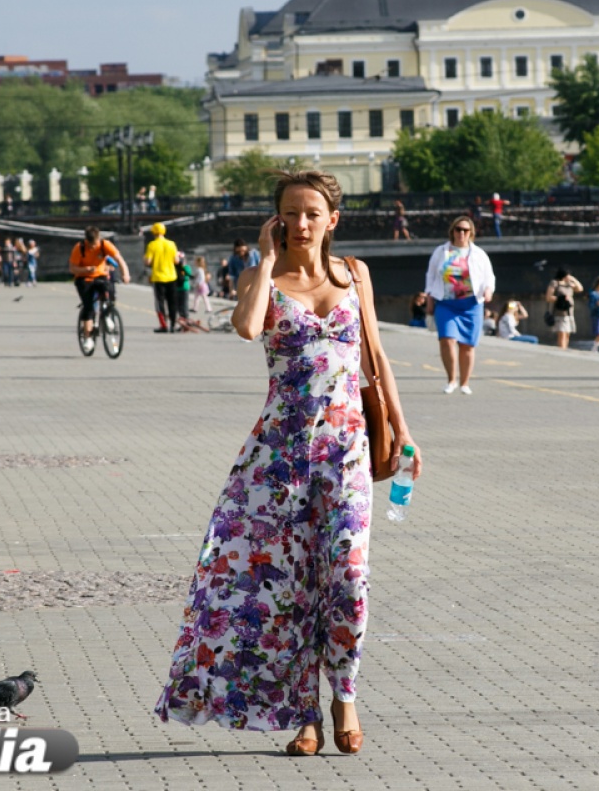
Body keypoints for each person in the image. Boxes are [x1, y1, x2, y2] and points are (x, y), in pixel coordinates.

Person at [156, 169, 422, 757]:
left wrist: (403, 434)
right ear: (276, 219)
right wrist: (263, 256)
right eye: (289, 214)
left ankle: (344, 694)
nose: (301, 224)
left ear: (332, 219)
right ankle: (304, 713)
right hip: (277, 460)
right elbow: (248, 329)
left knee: (349, 580)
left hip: (346, 453)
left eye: (311, 213)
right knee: (290, 591)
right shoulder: (263, 278)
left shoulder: (357, 277)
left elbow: (375, 358)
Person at [424, 216, 495, 394]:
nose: (461, 233)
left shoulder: (478, 254)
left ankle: (464, 383)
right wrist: (429, 298)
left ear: (471, 233)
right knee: (447, 340)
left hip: (471, 305)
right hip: (446, 303)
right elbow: (431, 276)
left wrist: (488, 291)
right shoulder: (441, 251)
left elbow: (489, 277)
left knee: (467, 345)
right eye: (458, 229)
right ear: (452, 231)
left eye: (465, 230)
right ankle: (451, 380)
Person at [69, 226, 131, 340]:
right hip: (83, 278)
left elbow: (119, 260)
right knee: (88, 307)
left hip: (100, 276)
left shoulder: (105, 245)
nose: (93, 247)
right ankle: (87, 337)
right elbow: (72, 268)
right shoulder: (79, 248)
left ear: (99, 238)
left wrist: (125, 274)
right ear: (86, 240)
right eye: (90, 244)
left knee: (109, 290)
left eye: (95, 243)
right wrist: (86, 270)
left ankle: (107, 315)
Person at [143, 223, 180, 333]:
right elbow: (177, 261)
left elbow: (148, 262)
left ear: (153, 232)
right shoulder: (171, 244)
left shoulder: (152, 245)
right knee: (172, 302)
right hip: (171, 276)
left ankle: (164, 325)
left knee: (160, 303)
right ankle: (173, 325)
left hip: (158, 277)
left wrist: (145, 259)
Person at [545, 268, 584, 350]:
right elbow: (548, 297)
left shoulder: (570, 284)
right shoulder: (555, 283)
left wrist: (574, 279)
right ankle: (561, 350)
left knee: (567, 333)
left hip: (569, 312)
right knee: (562, 333)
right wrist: (560, 298)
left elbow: (580, 289)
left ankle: (564, 348)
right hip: (559, 312)